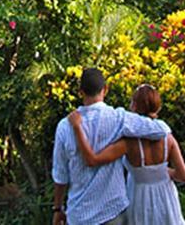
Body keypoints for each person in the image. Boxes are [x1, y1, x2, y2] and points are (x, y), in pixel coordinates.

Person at [52, 69, 171, 225]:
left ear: (80, 92)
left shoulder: (64, 126)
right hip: (113, 212)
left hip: (79, 215)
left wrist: (58, 208)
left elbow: (61, 175)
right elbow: (161, 130)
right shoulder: (118, 118)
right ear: (105, 89)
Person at [68, 84, 185, 225]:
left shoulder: (129, 142)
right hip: (166, 199)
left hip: (139, 200)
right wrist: (160, 172)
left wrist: (77, 127)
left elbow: (92, 159)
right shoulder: (167, 137)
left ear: (135, 106)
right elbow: (183, 176)